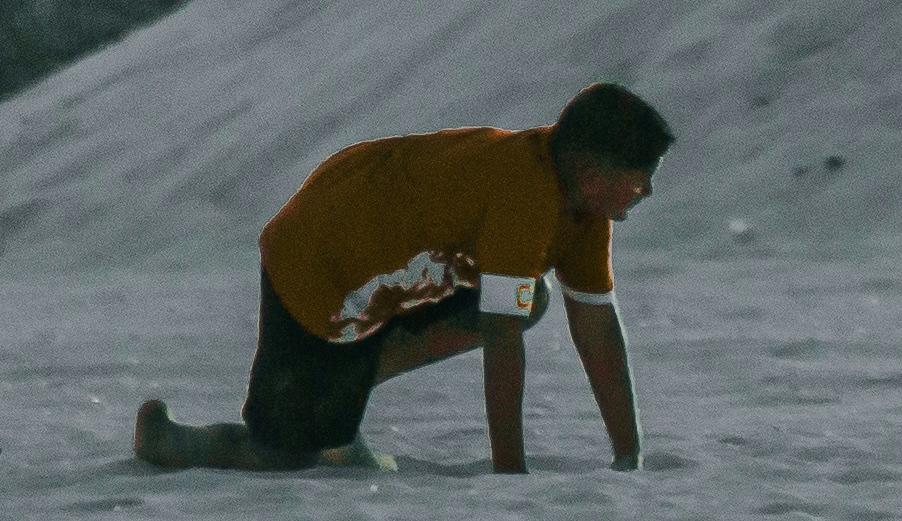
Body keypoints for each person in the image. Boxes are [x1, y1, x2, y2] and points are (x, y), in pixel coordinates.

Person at [136, 85, 670, 472]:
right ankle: (174, 443)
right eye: (640, 180)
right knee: (285, 453)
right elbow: (500, 336)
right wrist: (511, 473)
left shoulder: (585, 215)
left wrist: (629, 455)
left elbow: (596, 328)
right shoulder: (525, 196)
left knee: (530, 300)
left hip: (390, 263)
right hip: (320, 254)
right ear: (593, 176)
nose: (646, 192)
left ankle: (344, 388)